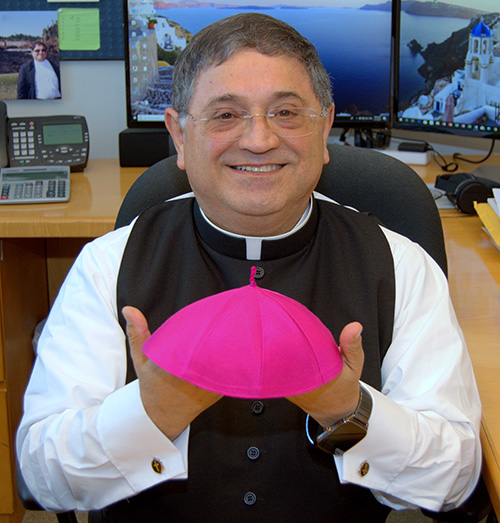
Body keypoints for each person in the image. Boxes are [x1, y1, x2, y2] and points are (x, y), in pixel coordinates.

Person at [17, 13, 481, 522]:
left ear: (324, 127)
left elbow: (455, 479)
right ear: (178, 133)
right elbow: (42, 477)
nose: (259, 141)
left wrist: (348, 409)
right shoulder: (109, 265)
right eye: (225, 115)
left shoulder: (400, 265)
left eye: (286, 112)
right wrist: (152, 412)